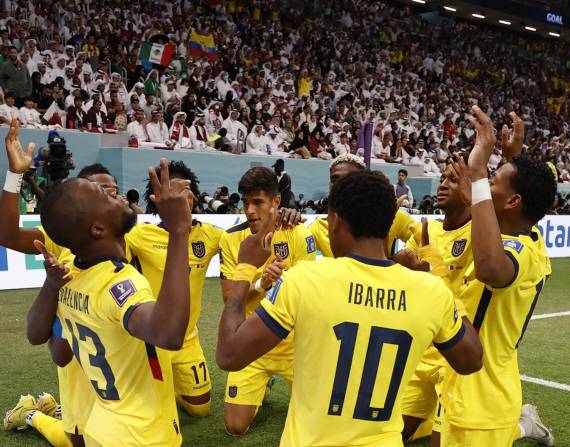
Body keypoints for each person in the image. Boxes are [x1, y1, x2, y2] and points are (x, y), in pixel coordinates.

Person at [216, 170, 482, 446]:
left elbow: (229, 355)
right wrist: (440, 280)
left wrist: (245, 269)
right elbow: (471, 361)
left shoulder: (304, 280)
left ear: (335, 221)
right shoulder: (432, 292)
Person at [29, 158, 190, 446]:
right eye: (104, 196)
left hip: (102, 426)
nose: (116, 196)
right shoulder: (119, 283)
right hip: (141, 434)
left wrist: (52, 289)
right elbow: (169, 333)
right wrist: (179, 231)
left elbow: (50, 346)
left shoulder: (69, 276)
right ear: (98, 229)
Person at [0, 120, 124, 446]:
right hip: (82, 364)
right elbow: (7, 235)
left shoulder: (137, 236)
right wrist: (15, 176)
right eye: (100, 194)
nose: (111, 199)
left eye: (113, 192)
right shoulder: (62, 242)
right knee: (78, 441)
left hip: (128, 360)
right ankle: (33, 412)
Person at [441, 106, 556, 447]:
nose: (484, 184)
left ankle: (522, 427)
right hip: (459, 384)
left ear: (513, 201)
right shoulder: (502, 230)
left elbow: (491, 268)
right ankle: (525, 427)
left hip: (485, 397)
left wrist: (478, 175)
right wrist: (512, 160)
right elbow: (502, 203)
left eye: (494, 182)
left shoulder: (524, 252)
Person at [218, 167, 317, 436]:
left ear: (276, 202)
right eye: (245, 202)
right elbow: (230, 299)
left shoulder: (299, 234)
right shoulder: (231, 239)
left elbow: (305, 296)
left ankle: (271, 380)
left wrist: (280, 283)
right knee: (235, 427)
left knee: (317, 422)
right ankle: (262, 382)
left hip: (293, 345)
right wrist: (262, 284)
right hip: (250, 343)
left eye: (258, 202)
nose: (249, 210)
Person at [128, 160, 223, 418]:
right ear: (158, 199)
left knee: (200, 410)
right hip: (153, 338)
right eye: (175, 194)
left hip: (188, 338)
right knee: (157, 411)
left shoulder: (211, 235)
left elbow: (250, 238)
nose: (183, 201)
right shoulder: (138, 236)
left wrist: (280, 218)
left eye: (187, 194)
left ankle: (171, 387)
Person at [309, 155, 414, 258]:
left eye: (349, 178)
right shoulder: (319, 227)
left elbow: (424, 238)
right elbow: (296, 243)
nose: (341, 184)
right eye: (335, 179)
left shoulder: (393, 215)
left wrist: (401, 259)